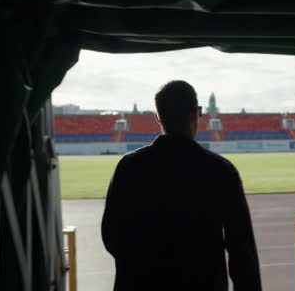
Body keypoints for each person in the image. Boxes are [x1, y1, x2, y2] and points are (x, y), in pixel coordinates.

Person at [101, 80, 261, 291]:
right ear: (196, 114)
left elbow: (111, 235)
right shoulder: (221, 171)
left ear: (158, 117)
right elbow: (242, 250)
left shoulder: (128, 167)